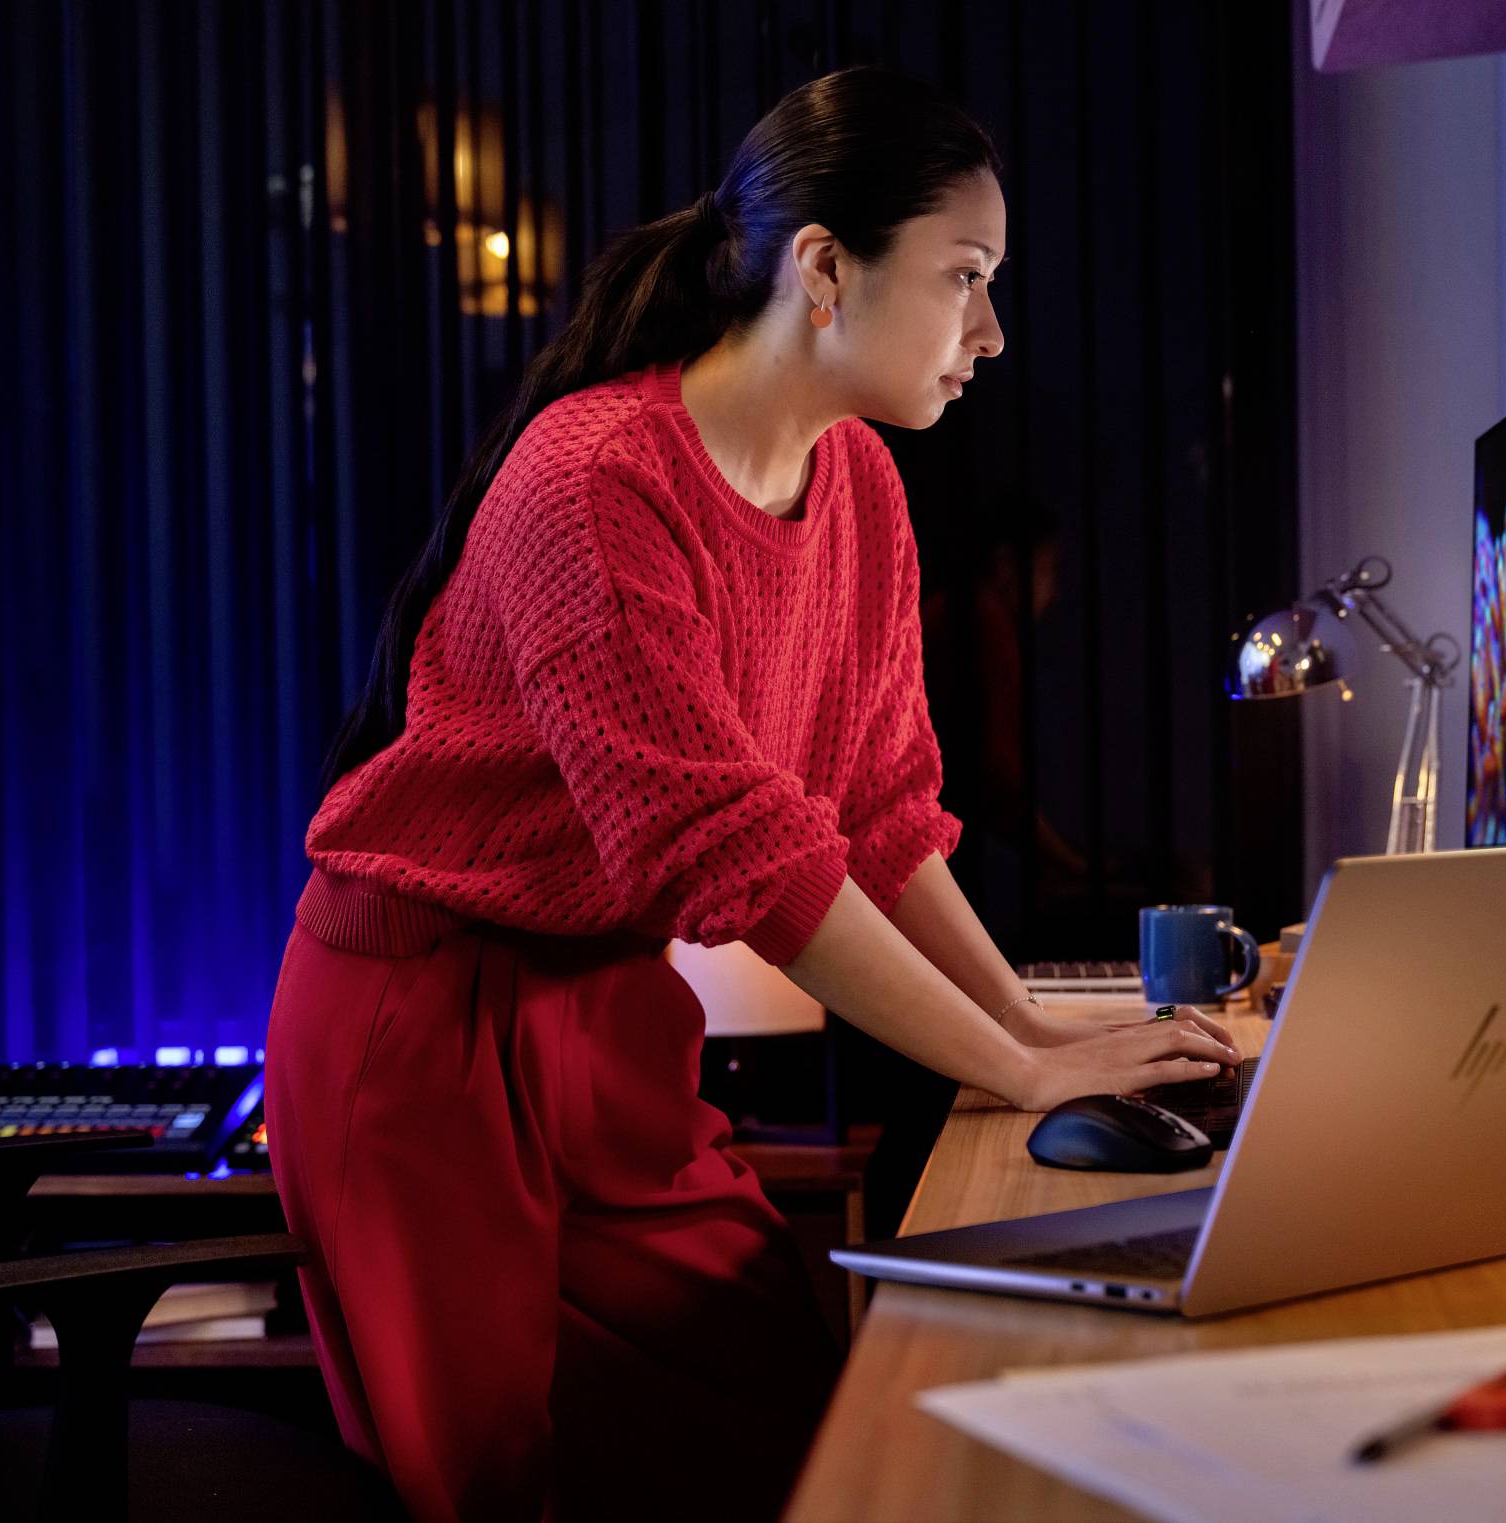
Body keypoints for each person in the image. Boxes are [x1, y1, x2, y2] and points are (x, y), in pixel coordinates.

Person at [262, 64, 1240, 1523]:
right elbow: (739, 857)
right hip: (420, 1032)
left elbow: (883, 811)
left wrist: (1021, 1030)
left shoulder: (858, 488)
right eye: (964, 277)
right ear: (826, 269)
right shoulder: (593, 480)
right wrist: (1017, 1069)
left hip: (603, 1013)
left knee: (779, 1409)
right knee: (504, 1481)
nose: (988, 332)